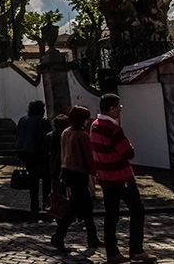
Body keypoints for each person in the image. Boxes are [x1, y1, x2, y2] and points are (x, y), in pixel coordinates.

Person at [91, 94, 156, 263]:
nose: (119, 110)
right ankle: (136, 249)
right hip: (121, 176)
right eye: (118, 107)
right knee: (137, 211)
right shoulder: (113, 129)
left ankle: (112, 252)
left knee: (111, 215)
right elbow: (128, 152)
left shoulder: (94, 126)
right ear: (111, 108)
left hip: (105, 177)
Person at [51, 106, 102, 253]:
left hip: (67, 170)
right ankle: (59, 236)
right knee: (74, 207)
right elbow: (88, 156)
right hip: (79, 173)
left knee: (86, 205)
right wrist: (95, 173)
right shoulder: (82, 135)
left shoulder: (66, 132)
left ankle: (92, 237)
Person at [15, 99, 51, 212]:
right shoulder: (43, 121)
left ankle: (34, 205)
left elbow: (18, 136)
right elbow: (47, 138)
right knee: (46, 179)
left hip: (24, 152)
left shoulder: (23, 120)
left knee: (33, 180)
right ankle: (46, 203)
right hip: (39, 153)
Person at [47, 114, 70, 193]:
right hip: (66, 164)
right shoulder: (68, 136)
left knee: (55, 187)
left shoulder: (49, 136)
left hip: (54, 163)